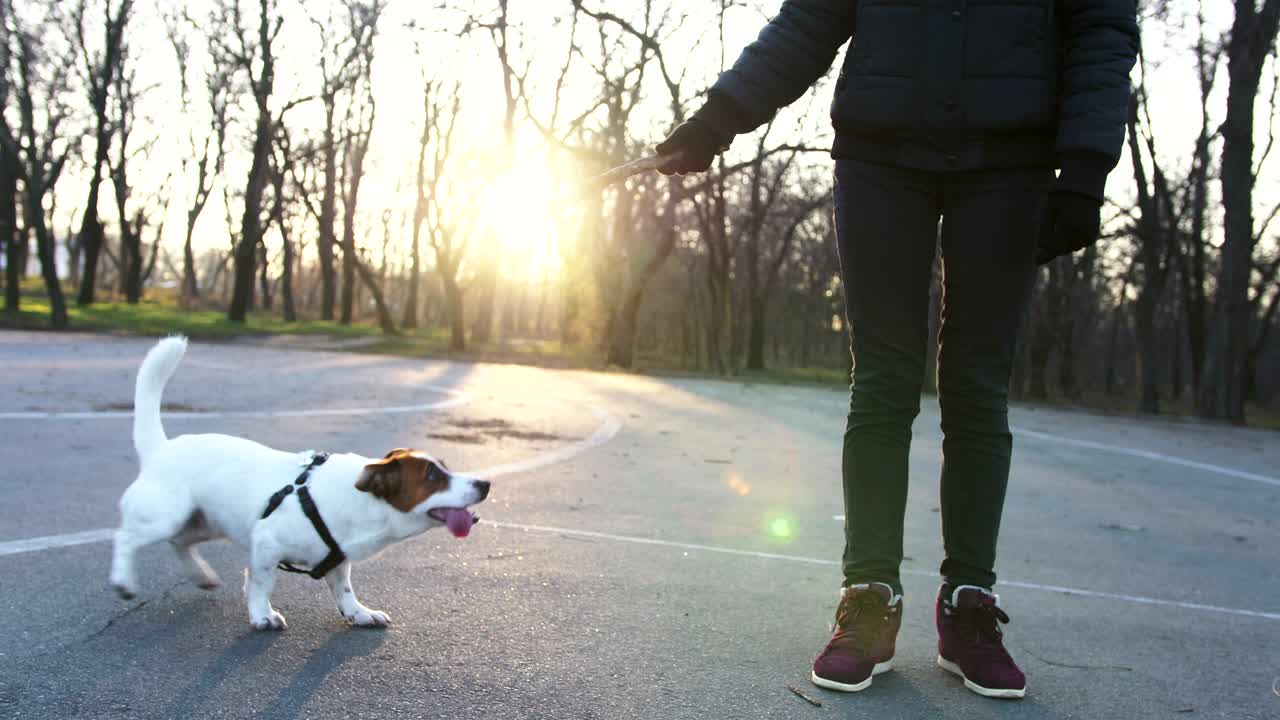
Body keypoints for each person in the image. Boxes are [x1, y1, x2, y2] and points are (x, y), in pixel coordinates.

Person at [656, 0, 1138, 700]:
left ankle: (968, 603)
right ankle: (870, 596)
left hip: (1012, 160)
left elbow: (1101, 29)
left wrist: (1086, 166)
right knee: (883, 377)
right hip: (881, 154)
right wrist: (720, 116)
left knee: (977, 382)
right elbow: (810, 20)